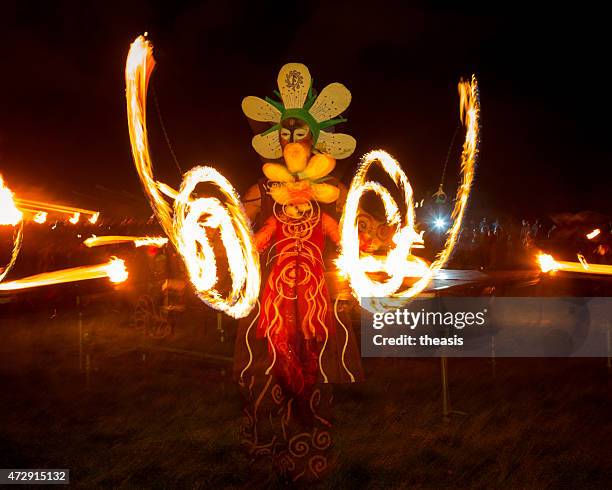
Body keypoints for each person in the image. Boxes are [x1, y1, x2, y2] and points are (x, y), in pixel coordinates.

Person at [234, 63, 363, 482]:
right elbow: (255, 233)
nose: (293, 141)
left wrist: (370, 241)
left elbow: (341, 232)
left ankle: (311, 435)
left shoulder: (329, 192)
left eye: (300, 133)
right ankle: (268, 438)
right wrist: (230, 239)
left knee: (312, 358)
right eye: (285, 134)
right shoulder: (263, 189)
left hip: (312, 297)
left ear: (315, 140)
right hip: (273, 296)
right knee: (270, 362)